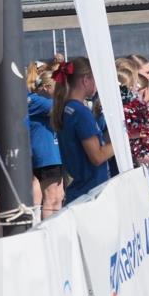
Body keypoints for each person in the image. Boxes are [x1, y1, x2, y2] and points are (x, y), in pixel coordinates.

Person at [51, 58, 114, 205]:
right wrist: (124, 138)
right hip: (91, 194)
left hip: (81, 191)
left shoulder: (67, 109)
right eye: (96, 80)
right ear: (86, 80)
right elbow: (97, 156)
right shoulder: (80, 112)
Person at [26, 63, 64, 219]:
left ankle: (56, 229)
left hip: (54, 154)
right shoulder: (37, 101)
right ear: (47, 87)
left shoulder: (45, 101)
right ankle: (47, 231)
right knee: (50, 197)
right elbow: (64, 110)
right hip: (46, 155)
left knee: (59, 196)